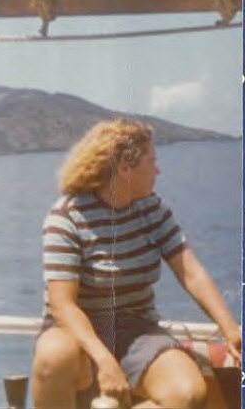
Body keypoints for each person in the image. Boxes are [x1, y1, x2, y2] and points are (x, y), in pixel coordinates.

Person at [31, 119, 241, 409]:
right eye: (152, 161)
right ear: (124, 168)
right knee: (54, 357)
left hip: (137, 327)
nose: (158, 171)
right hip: (76, 330)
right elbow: (62, 305)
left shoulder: (152, 209)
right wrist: (104, 360)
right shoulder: (66, 217)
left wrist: (229, 328)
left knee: (187, 394)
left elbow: (190, 273)